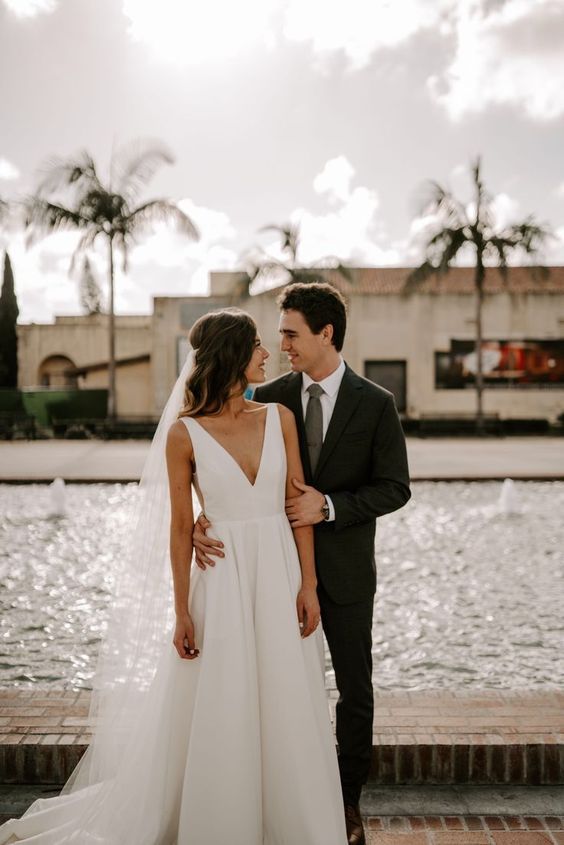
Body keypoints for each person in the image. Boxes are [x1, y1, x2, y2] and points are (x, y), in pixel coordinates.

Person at [0, 308, 348, 845]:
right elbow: (181, 527)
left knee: (285, 698)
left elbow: (297, 506)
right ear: (233, 354)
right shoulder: (184, 435)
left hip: (278, 578)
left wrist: (308, 585)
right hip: (222, 582)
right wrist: (181, 611)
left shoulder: (280, 417)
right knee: (223, 699)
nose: (266, 353)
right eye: (256, 345)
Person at [194, 283, 411, 845]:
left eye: (290, 332)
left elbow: (395, 489)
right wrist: (205, 517)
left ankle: (345, 804)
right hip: (267, 573)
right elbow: (222, 454)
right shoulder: (270, 393)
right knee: (270, 686)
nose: (282, 344)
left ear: (326, 333)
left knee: (355, 691)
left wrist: (331, 506)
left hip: (342, 574)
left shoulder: (376, 402)